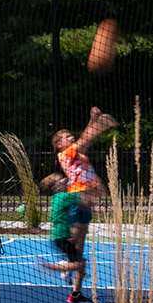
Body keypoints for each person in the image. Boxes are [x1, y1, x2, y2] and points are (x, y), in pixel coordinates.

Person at [53, 107, 117, 254]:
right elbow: (85, 140)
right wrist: (102, 125)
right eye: (67, 136)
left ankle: (75, 263)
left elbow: (84, 142)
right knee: (78, 232)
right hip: (79, 195)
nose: (71, 137)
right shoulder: (65, 154)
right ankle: (69, 257)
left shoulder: (77, 154)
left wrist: (93, 120)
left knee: (82, 233)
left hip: (88, 196)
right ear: (60, 145)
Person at [39, 173, 94, 303]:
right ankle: (58, 267)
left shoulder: (58, 197)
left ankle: (75, 293)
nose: (64, 179)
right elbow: (84, 200)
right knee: (81, 263)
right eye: (60, 180)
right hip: (62, 237)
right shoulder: (65, 197)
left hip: (62, 236)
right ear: (55, 187)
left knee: (79, 260)